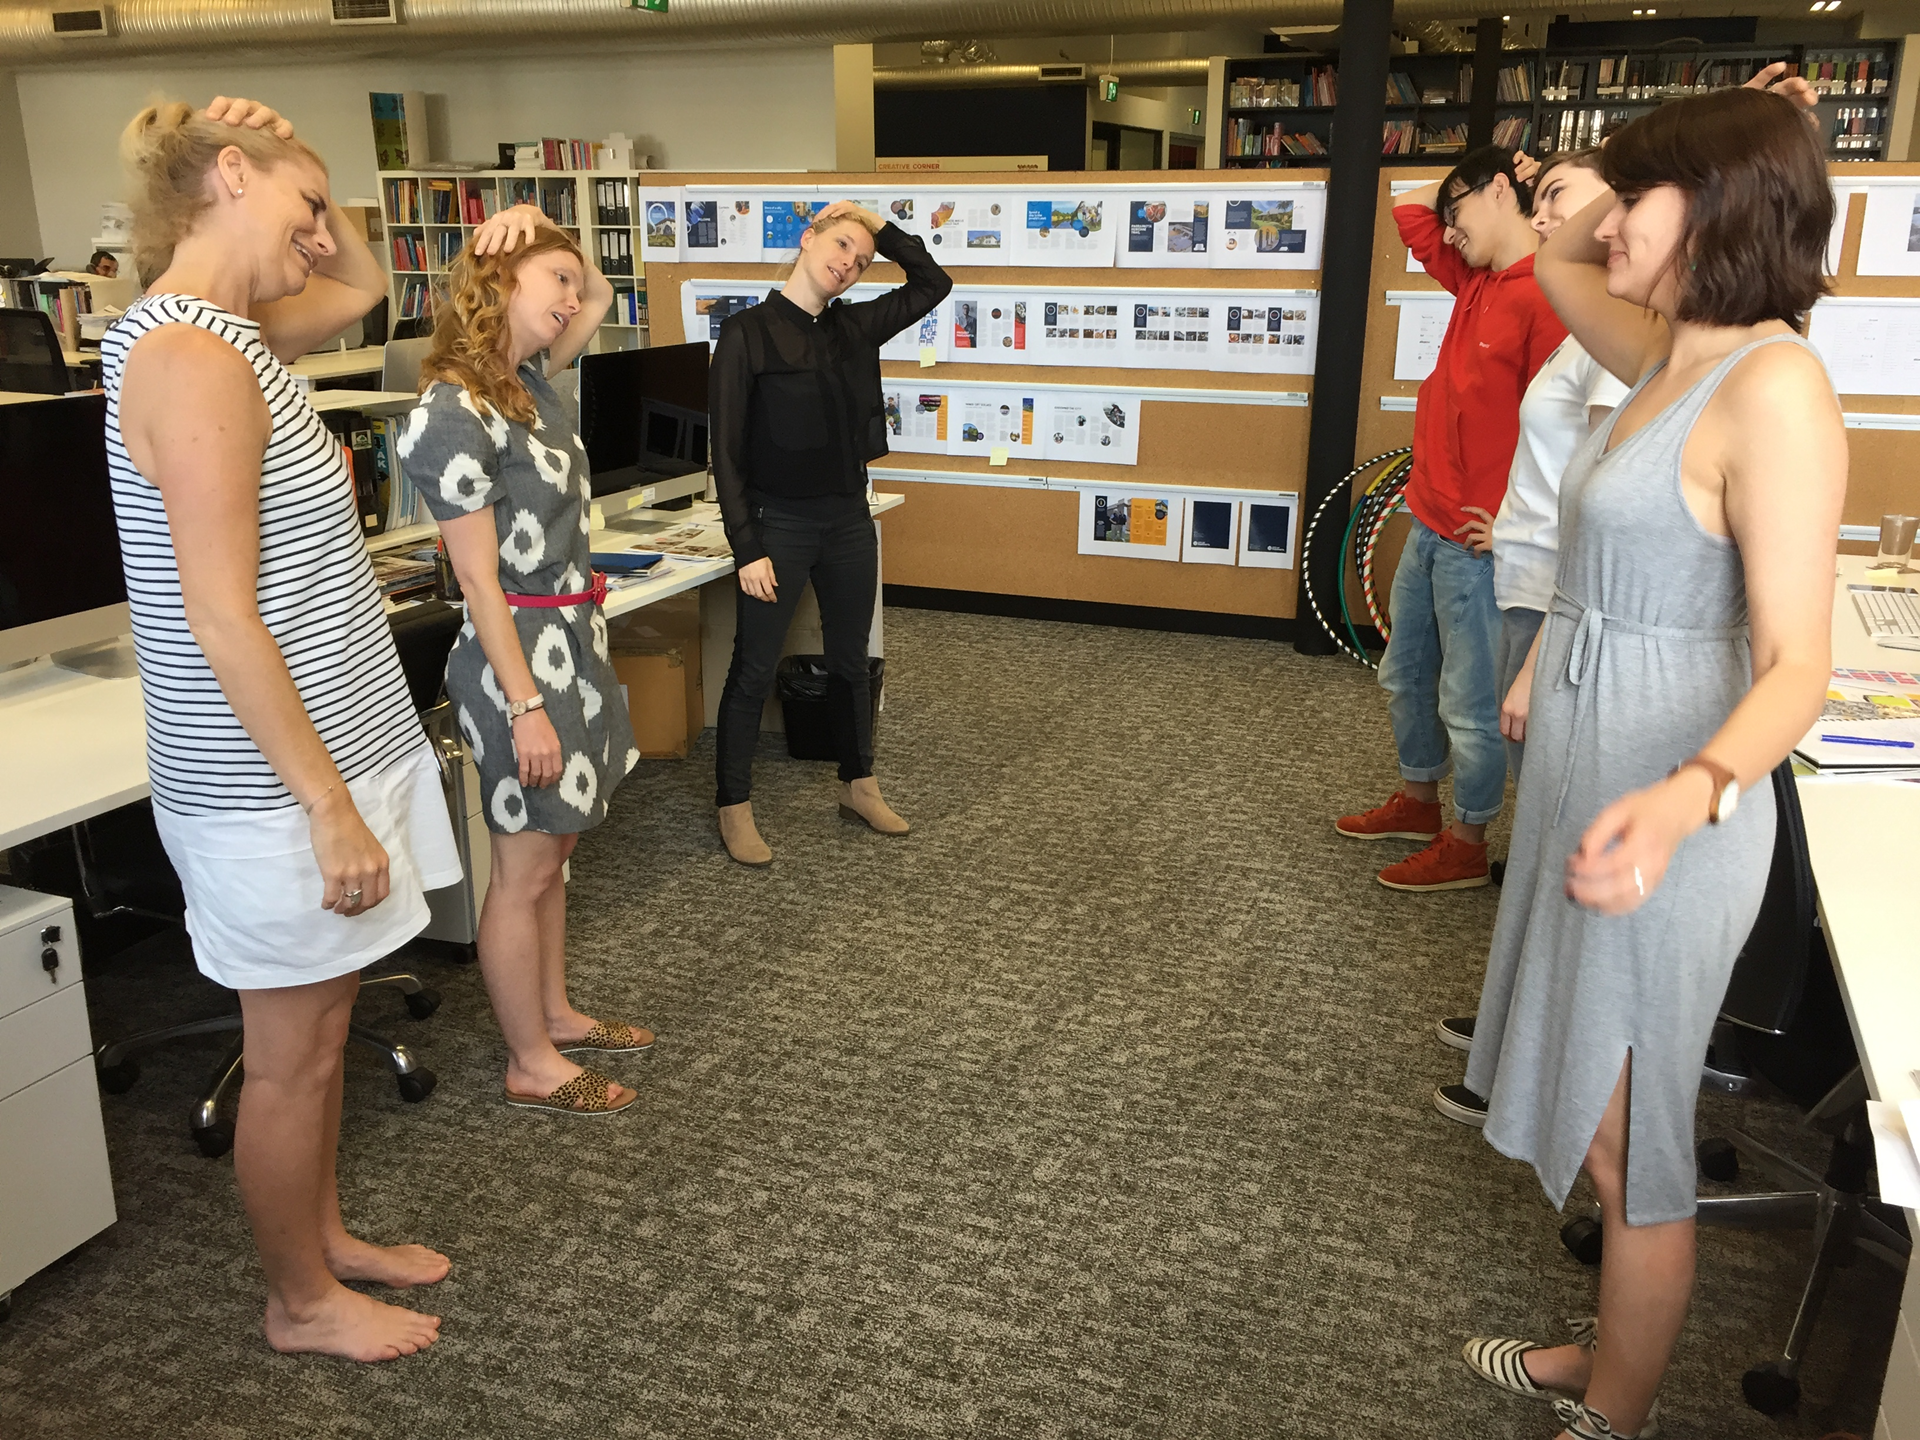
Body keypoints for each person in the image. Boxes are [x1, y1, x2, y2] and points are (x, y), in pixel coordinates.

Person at [1457, 84, 1843, 1440]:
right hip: (1592, 760)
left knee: (1637, 1143)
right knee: (1601, 1114)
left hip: (1669, 802)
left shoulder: (1775, 386)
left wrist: (1687, 796)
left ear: (1723, 205)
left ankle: (1614, 1412)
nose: (1599, 221)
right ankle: (1597, 1352)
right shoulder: (1671, 349)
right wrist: (1658, 163)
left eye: (1636, 195)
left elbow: (1800, 662)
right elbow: (1556, 253)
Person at [105, 96, 459, 1361]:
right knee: (294, 1055)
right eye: (308, 207)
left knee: (324, 1030)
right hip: (269, 789)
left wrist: (315, 164)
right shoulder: (190, 355)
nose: (324, 238)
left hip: (322, 749)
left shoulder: (230, 336)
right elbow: (219, 613)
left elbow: (362, 289)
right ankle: (297, 1300)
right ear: (232, 179)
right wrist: (326, 803)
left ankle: (323, 1240)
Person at [403, 203, 651, 1116]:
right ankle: (528, 1062)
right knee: (525, 866)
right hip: (518, 663)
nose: (576, 296)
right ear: (501, 282)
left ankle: (553, 1013)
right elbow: (475, 581)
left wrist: (551, 231)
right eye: (556, 280)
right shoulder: (452, 409)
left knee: (559, 851)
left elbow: (607, 295)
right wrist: (525, 704)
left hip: (570, 639)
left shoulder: (527, 382)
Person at [1429, 148, 1630, 1125]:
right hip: (1533, 585)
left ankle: (1531, 1060)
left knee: (1553, 830)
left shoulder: (1614, 333)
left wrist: (1546, 645)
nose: (1548, 217)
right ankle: (1513, 1029)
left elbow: (1595, 505)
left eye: (1563, 196)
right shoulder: (1579, 315)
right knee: (1538, 820)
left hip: (1560, 609)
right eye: (1538, 194)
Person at [1336, 147, 1566, 892]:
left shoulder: (1549, 297)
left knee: (1469, 703)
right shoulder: (1475, 278)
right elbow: (1407, 212)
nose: (1446, 232)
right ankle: (1418, 801)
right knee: (1405, 674)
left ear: (1502, 190)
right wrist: (1460, 200)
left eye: (1458, 212)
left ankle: (1467, 840)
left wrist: (1519, 523)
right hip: (1429, 520)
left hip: (1479, 545)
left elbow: (1571, 433)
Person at [707, 201, 952, 865]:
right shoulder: (747, 334)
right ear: (808, 237)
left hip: (848, 519)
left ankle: (858, 784)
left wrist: (878, 223)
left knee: (851, 663)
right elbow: (724, 453)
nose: (849, 263)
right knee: (753, 669)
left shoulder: (852, 328)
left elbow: (933, 284)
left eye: (862, 260)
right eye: (842, 244)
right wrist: (746, 547)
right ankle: (734, 805)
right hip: (777, 525)